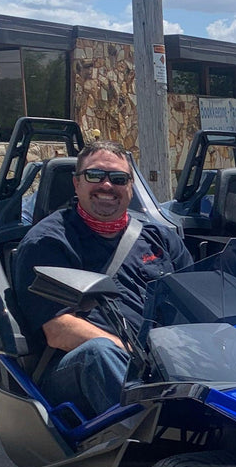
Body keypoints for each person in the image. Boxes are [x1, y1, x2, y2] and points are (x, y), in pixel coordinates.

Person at [14, 140, 191, 418]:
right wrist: (137, 354)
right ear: (76, 183)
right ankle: (155, 438)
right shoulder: (48, 242)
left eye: (118, 178)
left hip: (162, 361)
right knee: (99, 352)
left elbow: (194, 302)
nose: (107, 186)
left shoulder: (160, 237)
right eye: (95, 175)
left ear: (131, 187)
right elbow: (59, 329)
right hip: (77, 369)